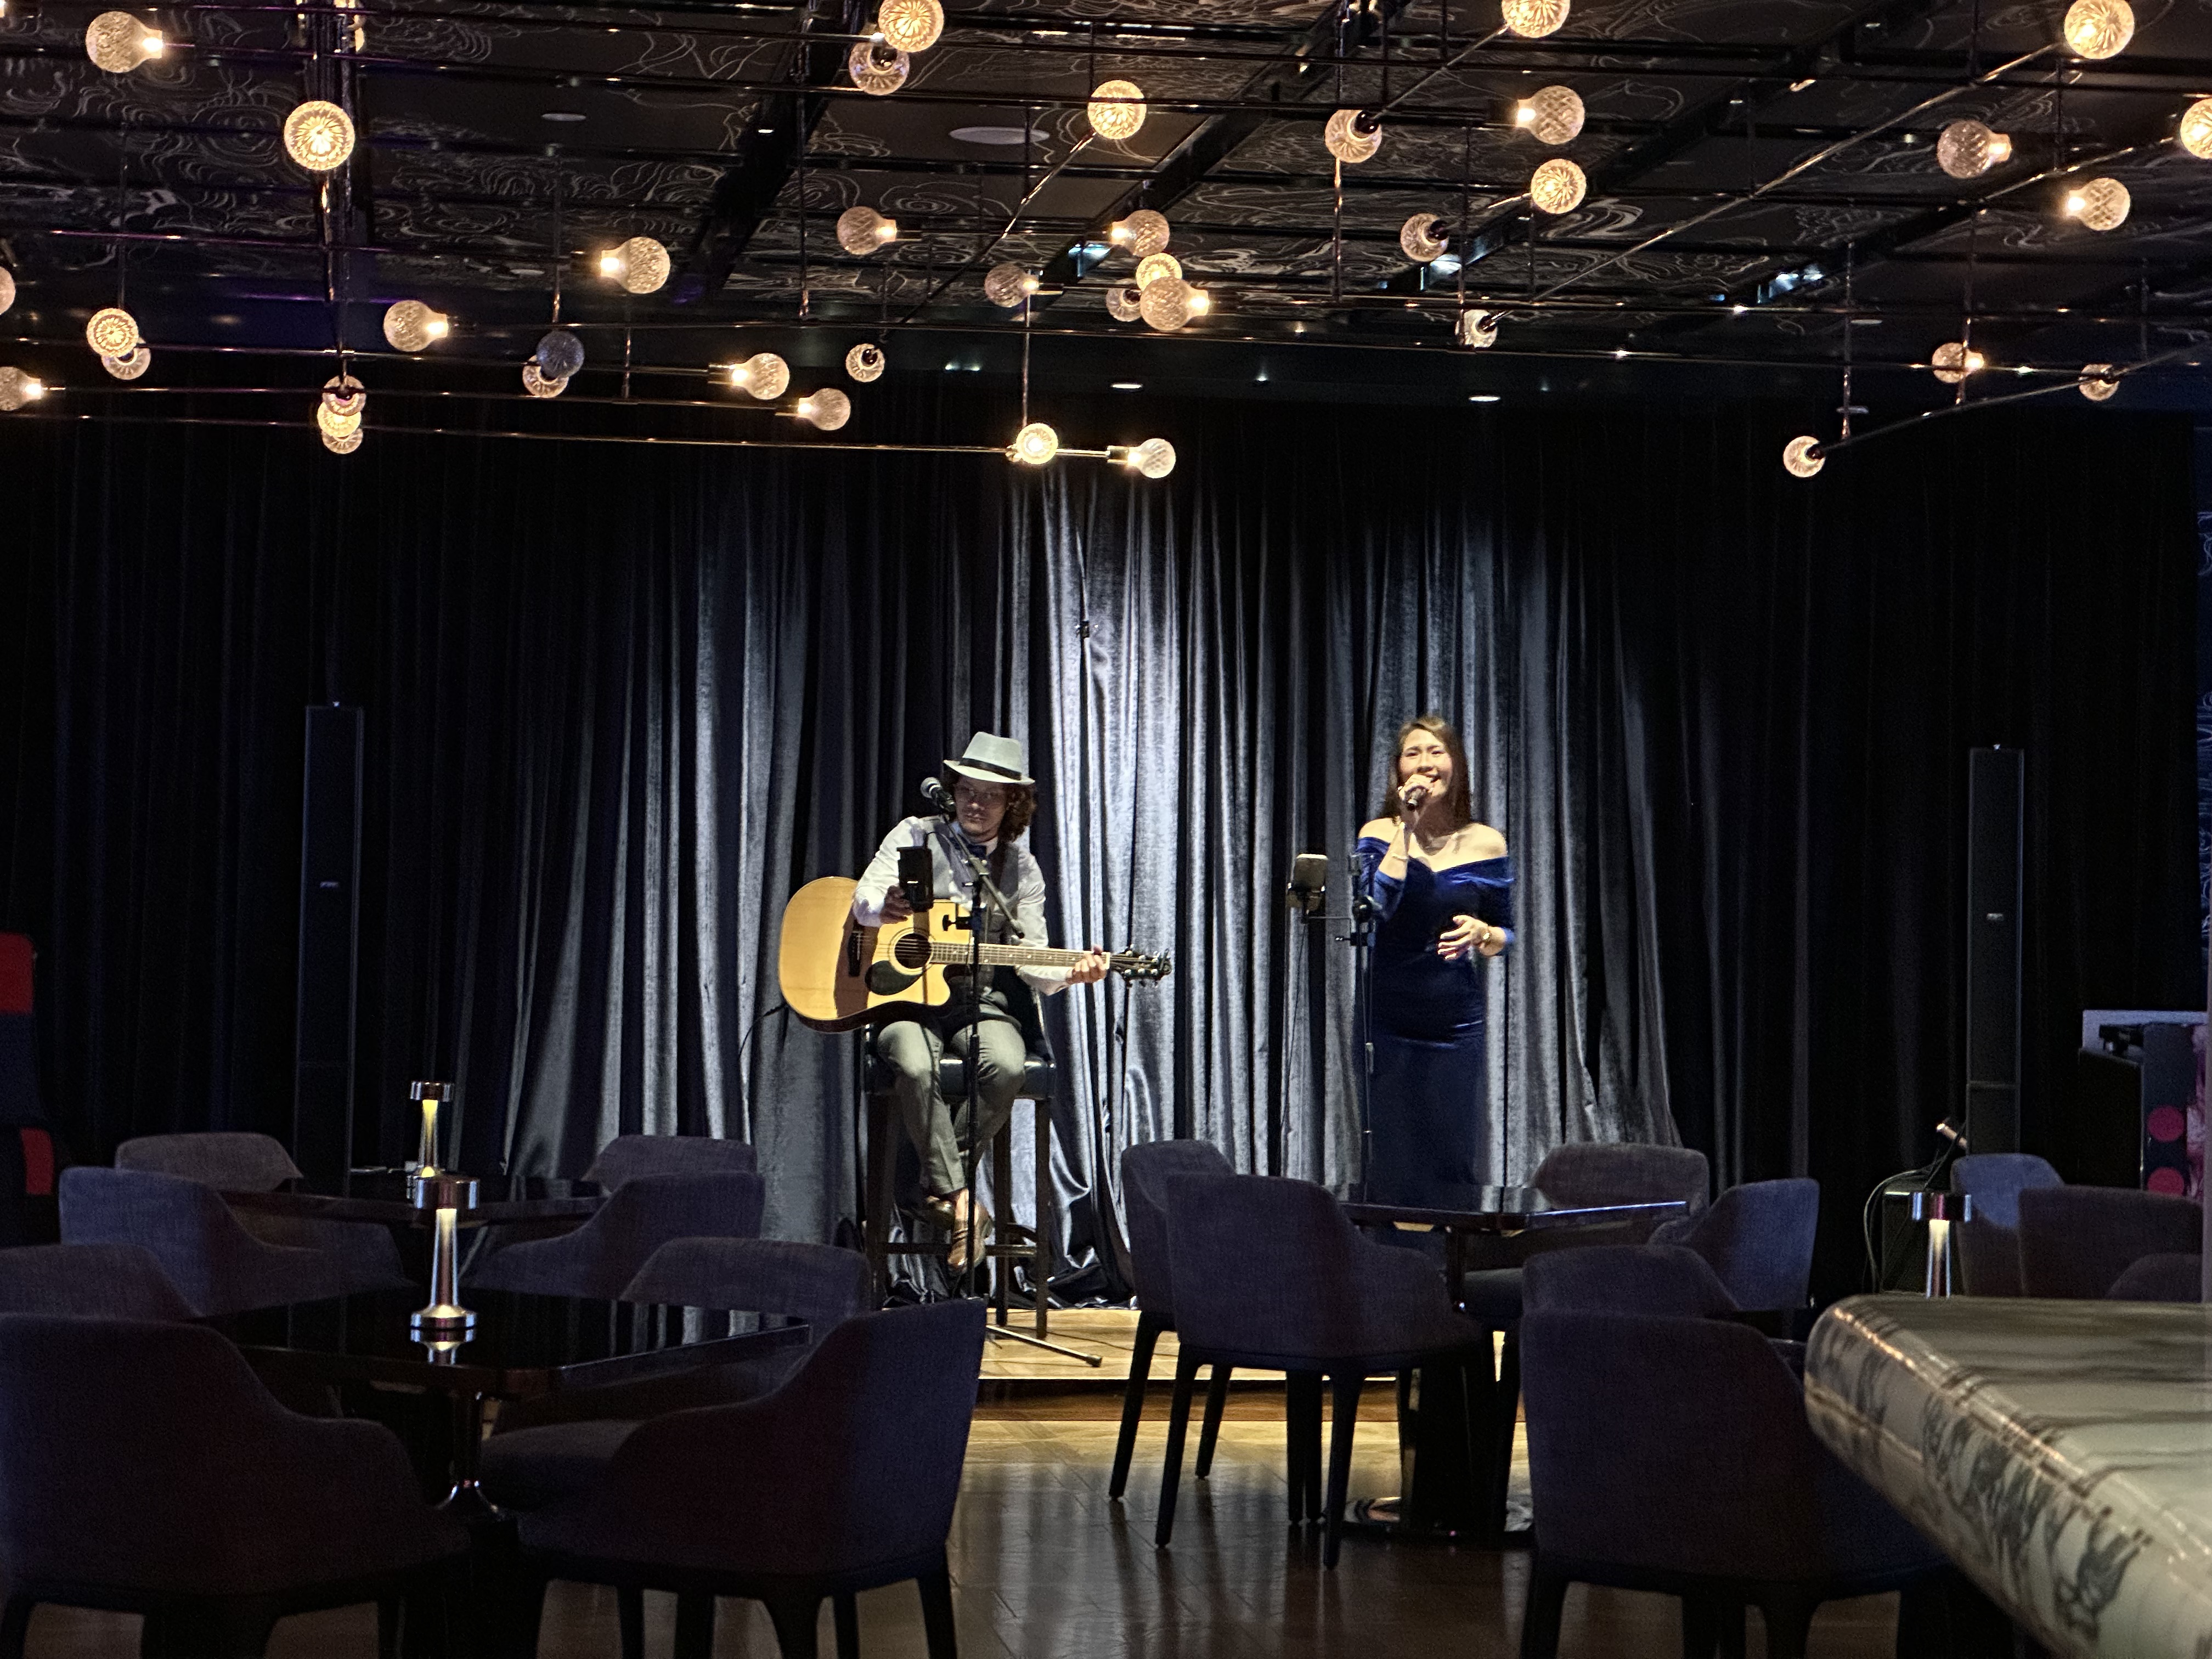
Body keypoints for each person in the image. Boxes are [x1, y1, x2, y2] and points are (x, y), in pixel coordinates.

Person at [851, 732, 1108, 1269]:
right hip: (906, 1001)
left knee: (1006, 1063)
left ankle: (933, 1193)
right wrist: (884, 905)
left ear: (1011, 803)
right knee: (917, 1067)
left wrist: (1072, 973)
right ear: (953, 790)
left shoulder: (1022, 869)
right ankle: (965, 1204)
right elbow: (864, 897)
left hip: (980, 1001)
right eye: (967, 790)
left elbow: (1032, 957)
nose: (975, 803)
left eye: (990, 795)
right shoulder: (915, 835)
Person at [1355, 715, 1514, 1206]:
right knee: (1393, 1159)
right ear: (1398, 771)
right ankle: (1393, 1272)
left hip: (1454, 1024)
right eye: (1413, 754)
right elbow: (1376, 906)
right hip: (1387, 1019)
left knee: (1451, 1155)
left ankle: (1452, 1273)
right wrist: (1408, 828)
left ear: (1455, 766)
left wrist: (1484, 932)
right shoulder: (1380, 832)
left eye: (1436, 752)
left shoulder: (1487, 842)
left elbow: (1507, 933)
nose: (1425, 763)